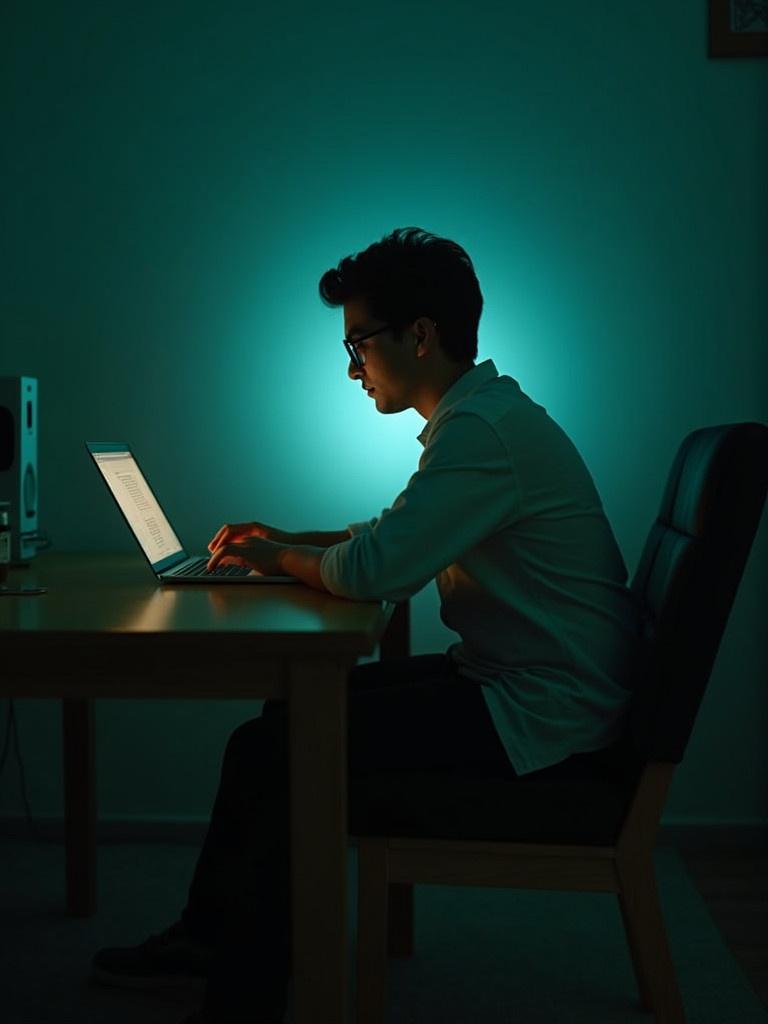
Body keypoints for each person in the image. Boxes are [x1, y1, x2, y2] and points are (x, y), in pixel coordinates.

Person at [91, 227, 642, 1023]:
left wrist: (281, 556)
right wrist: (279, 543)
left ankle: (236, 975)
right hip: (526, 683)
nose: (352, 368)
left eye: (358, 344)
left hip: (541, 711)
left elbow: (381, 571)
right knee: (285, 719)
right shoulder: (484, 419)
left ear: (419, 334)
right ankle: (216, 940)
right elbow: (391, 536)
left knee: (274, 746)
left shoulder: (481, 433)